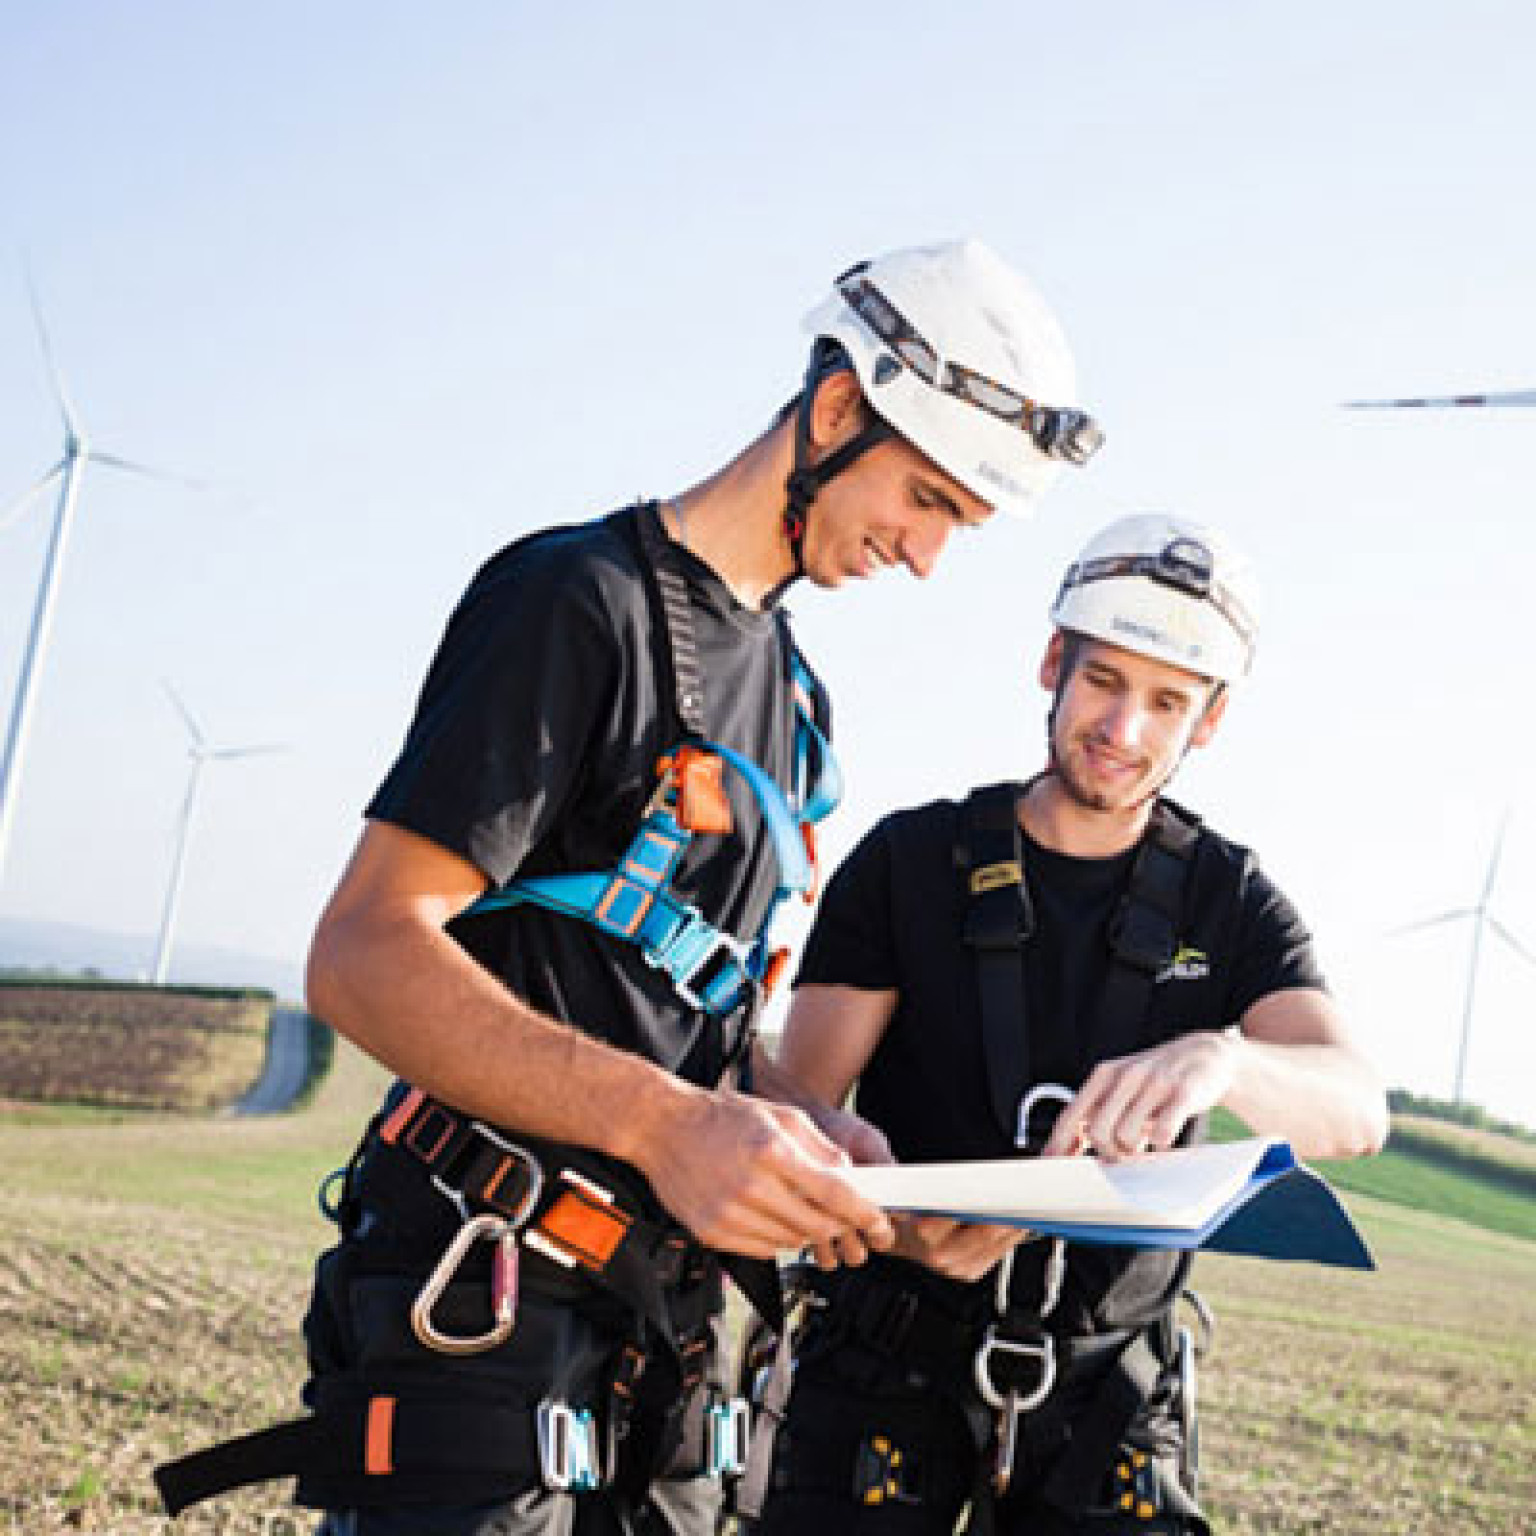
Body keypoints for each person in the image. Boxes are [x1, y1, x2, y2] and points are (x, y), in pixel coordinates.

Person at [151, 239, 1104, 1534]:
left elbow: (673, 1018)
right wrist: (668, 1126)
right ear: (838, 410)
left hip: (662, 1351)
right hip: (481, 1309)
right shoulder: (575, 604)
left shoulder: (794, 704)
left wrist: (813, 1135)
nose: (929, 556)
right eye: (927, 499)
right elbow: (365, 951)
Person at [748, 513, 1389, 1536]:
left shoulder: (1230, 902)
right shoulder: (911, 863)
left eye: (1166, 702)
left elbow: (1358, 1110)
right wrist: (873, 1216)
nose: (1122, 730)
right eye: (1102, 681)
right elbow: (794, 1107)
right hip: (886, 1363)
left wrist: (1220, 1058)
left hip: (1109, 1399)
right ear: (1052, 661)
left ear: (1208, 722)